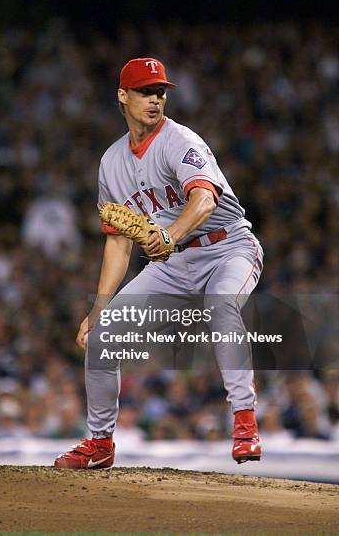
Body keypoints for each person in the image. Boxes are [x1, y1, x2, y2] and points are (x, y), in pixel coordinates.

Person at [54, 58, 264, 469]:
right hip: (172, 265)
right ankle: (99, 445)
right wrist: (98, 307)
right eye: (144, 91)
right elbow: (118, 241)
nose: (154, 99)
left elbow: (204, 198)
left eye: (160, 92)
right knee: (103, 337)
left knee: (221, 302)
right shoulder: (112, 163)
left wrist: (169, 234)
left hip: (228, 248)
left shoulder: (179, 141)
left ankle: (245, 423)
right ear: (123, 96)